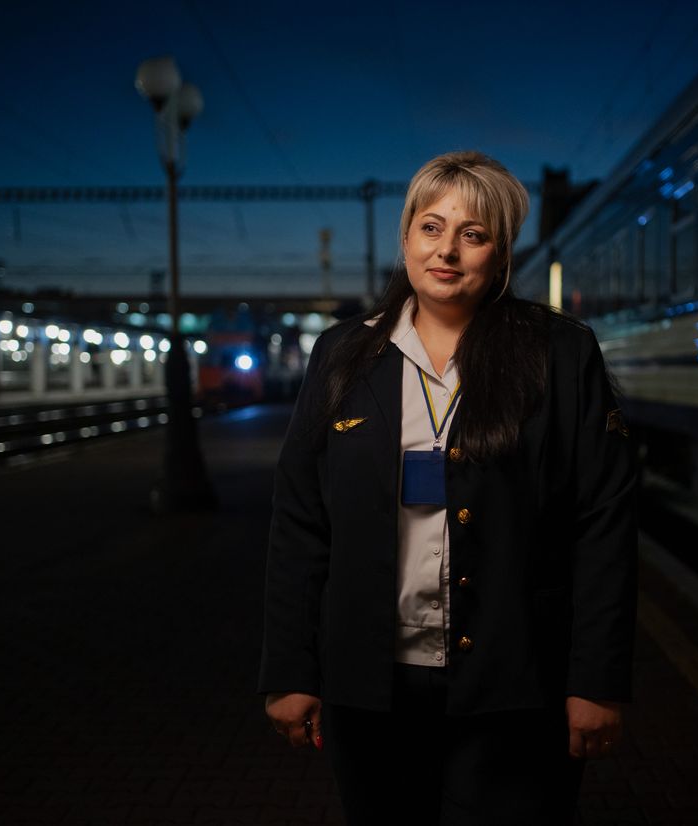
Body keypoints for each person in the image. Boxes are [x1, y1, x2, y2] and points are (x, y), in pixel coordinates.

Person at [259, 150, 637, 825]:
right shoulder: (343, 355)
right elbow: (300, 520)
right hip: (369, 685)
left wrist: (597, 681)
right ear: (406, 237)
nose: (447, 251)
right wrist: (290, 669)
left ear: (501, 252)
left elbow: (603, 523)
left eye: (473, 233)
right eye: (431, 228)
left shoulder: (562, 353)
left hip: (518, 683)